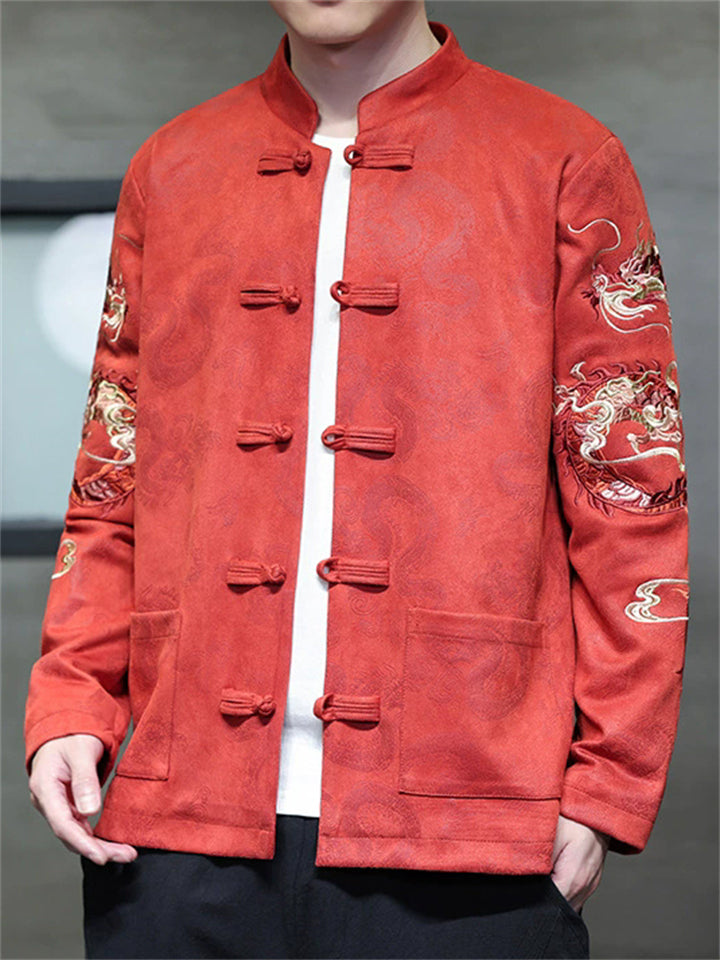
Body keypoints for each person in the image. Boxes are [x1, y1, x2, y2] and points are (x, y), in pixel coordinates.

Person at [24, 2, 690, 958]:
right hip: (175, 823)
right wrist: (72, 703)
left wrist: (608, 784)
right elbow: (111, 473)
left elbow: (631, 498)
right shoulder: (172, 167)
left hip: (469, 828)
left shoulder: (563, 158)